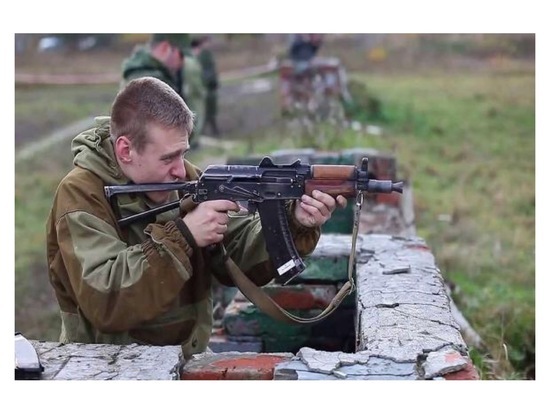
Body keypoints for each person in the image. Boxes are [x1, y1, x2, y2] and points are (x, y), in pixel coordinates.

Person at [45, 76, 347, 357]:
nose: (181, 169)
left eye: (182, 153)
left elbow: (237, 251)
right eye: (167, 158)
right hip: (111, 368)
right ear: (126, 150)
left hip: (185, 358)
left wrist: (295, 220)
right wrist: (184, 236)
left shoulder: (182, 178)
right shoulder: (81, 195)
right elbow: (106, 299)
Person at [120, 33, 189, 98]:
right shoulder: (153, 83)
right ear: (165, 48)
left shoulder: (138, 72)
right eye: (181, 56)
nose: (182, 62)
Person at [196, 35, 220, 137]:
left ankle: (212, 129)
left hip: (211, 86)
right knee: (207, 110)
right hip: (207, 86)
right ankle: (201, 132)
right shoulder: (203, 55)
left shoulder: (208, 54)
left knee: (211, 110)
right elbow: (205, 72)